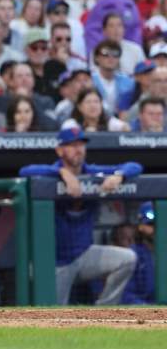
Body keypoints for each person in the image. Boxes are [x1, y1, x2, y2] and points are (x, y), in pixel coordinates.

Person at [19, 127, 141, 305]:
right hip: (54, 263)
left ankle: (103, 313)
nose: (78, 149)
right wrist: (61, 172)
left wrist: (119, 176)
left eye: (81, 145)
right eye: (72, 145)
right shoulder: (49, 173)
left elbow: (135, 166)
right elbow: (25, 171)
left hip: (85, 255)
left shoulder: (92, 171)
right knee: (53, 318)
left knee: (127, 258)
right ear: (60, 150)